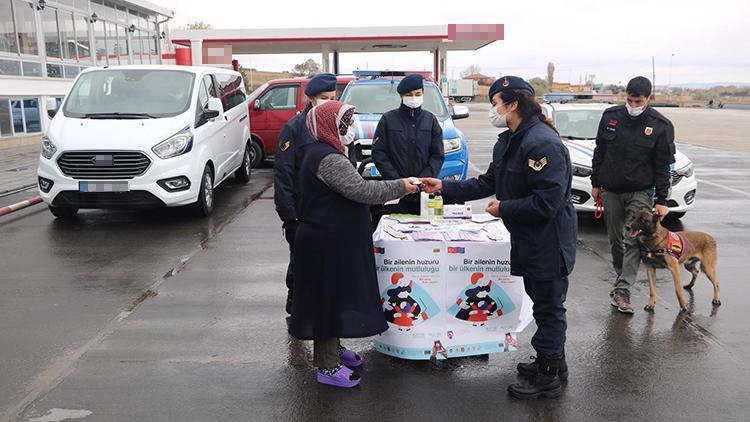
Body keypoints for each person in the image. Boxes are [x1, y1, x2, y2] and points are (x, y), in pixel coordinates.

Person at [421, 76, 576, 400]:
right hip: (529, 237)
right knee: (541, 301)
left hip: (548, 241)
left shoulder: (541, 143)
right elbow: (489, 181)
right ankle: (553, 362)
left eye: (495, 104)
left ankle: (548, 376)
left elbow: (547, 202)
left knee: (549, 307)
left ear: (512, 104)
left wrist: (504, 207)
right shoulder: (510, 141)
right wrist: (444, 187)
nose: (493, 110)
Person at [289, 100, 417, 388]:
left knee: (334, 298)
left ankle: (333, 350)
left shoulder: (328, 152)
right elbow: (361, 190)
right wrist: (401, 185)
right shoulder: (328, 158)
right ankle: (327, 366)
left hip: (332, 240)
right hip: (325, 243)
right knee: (327, 301)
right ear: (330, 125)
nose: (351, 128)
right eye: (346, 122)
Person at [591, 76, 675, 314]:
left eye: (638, 101)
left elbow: (662, 166)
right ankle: (621, 277)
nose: (633, 105)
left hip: (640, 191)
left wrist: (662, 200)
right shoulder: (611, 117)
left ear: (649, 98)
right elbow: (600, 151)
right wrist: (595, 182)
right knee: (615, 238)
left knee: (633, 238)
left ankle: (624, 289)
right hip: (611, 189)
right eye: (629, 100)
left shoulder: (661, 125)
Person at [274, 73, 338, 315]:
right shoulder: (295, 128)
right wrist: (290, 215)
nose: (328, 102)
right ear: (310, 98)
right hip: (302, 211)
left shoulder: (335, 124)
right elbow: (283, 174)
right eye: (323, 98)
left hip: (329, 210)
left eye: (332, 98)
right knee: (300, 261)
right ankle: (297, 303)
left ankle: (323, 308)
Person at [371, 74, 444, 216]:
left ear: (423, 93)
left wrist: (422, 181)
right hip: (395, 192)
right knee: (393, 230)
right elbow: (379, 153)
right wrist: (398, 182)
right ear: (401, 96)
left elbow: (437, 155)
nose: (414, 98)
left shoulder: (430, 120)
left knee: (425, 231)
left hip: (424, 191)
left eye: (417, 94)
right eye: (409, 95)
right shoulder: (388, 119)